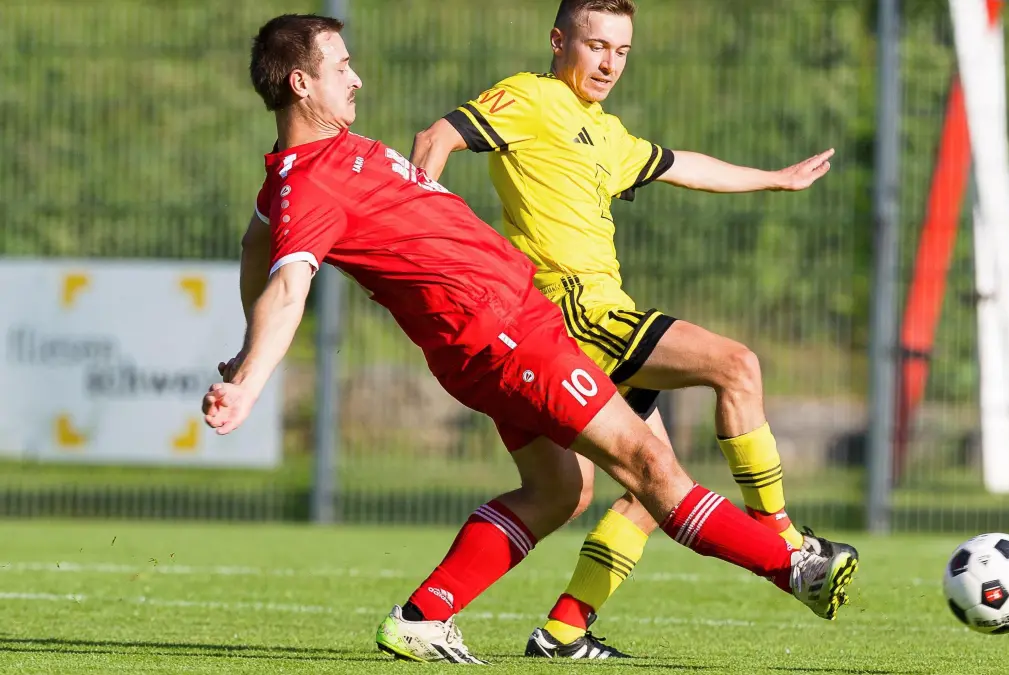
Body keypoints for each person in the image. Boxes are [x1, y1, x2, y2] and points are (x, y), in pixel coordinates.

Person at [214, 13, 858, 665]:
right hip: (505, 333)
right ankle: (792, 565)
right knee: (650, 461)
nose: (358, 78)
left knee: (559, 491)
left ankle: (423, 616)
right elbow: (289, 283)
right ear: (301, 83)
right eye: (342, 66)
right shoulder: (313, 180)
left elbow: (255, 245)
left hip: (506, 328)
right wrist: (250, 381)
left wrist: (245, 345)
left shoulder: (303, 172)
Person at [410, 0, 857, 658]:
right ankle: (785, 540)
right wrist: (428, 234)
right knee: (737, 365)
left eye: (621, 50)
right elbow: (434, 138)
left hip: (593, 312)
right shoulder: (530, 97)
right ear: (559, 41)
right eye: (596, 46)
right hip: (573, 310)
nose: (609, 63)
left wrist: (774, 180)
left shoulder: (605, 132)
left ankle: (562, 626)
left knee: (648, 486)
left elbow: (680, 163)